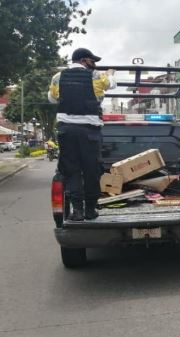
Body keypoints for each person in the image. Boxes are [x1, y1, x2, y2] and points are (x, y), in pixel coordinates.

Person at [48, 48, 116, 221]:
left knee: (71, 171)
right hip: (89, 132)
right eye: (92, 61)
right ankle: (90, 210)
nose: (94, 64)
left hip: (66, 131)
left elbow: (52, 98)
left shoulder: (58, 77)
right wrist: (110, 73)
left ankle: (77, 210)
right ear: (85, 60)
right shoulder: (97, 76)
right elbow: (112, 84)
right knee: (91, 170)